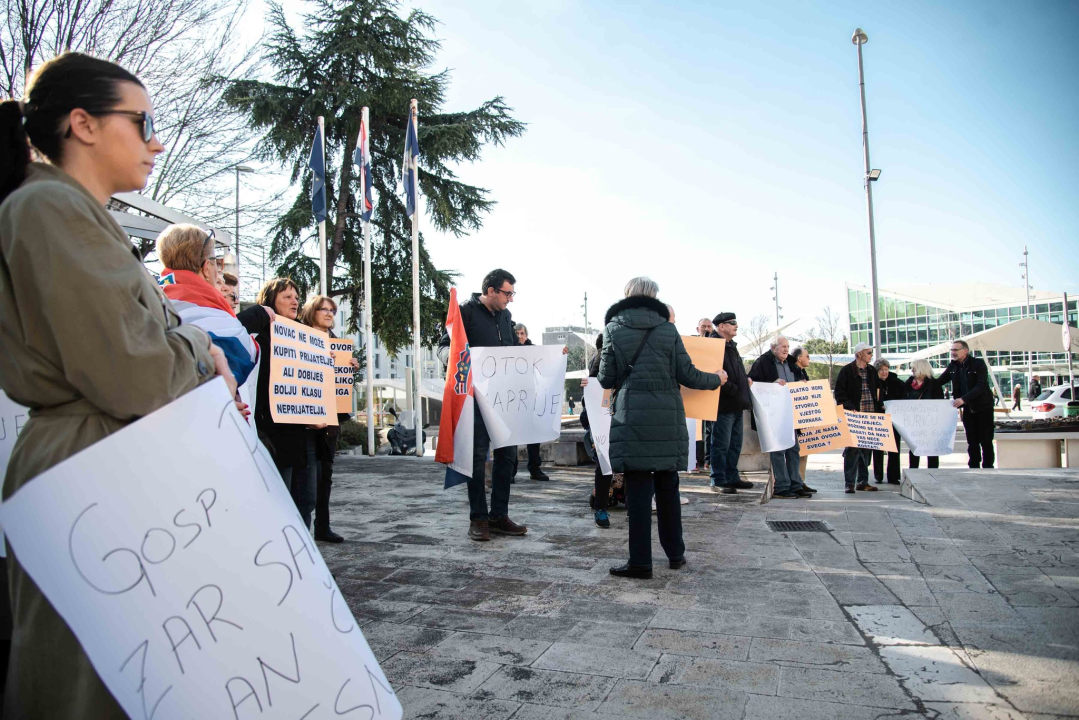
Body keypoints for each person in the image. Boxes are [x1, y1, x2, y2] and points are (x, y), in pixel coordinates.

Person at [0, 52, 237, 718]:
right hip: (90, 467)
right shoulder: (50, 207)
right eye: (142, 121)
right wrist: (197, 345)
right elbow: (134, 374)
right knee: (85, 685)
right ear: (83, 124)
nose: (155, 139)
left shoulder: (70, 209)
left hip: (105, 457)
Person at [598, 277, 723, 579]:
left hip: (632, 419)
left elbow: (605, 378)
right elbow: (689, 374)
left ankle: (640, 562)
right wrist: (717, 378)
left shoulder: (613, 329)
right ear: (654, 298)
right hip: (667, 415)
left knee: (638, 492)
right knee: (668, 487)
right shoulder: (668, 330)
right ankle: (675, 553)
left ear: (627, 297)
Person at [437, 269, 528, 541]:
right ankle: (478, 518)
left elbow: (512, 353)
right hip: (474, 399)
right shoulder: (465, 312)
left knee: (507, 457)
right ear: (490, 291)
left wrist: (545, 357)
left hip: (503, 398)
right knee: (477, 458)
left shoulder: (506, 317)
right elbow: (443, 347)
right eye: (507, 293)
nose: (510, 299)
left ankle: (499, 516)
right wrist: (456, 360)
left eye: (512, 293)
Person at [155, 224, 264, 411]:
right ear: (206, 268)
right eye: (216, 262)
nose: (218, 271)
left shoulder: (146, 301)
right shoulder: (220, 321)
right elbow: (243, 356)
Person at [300, 294, 358, 542]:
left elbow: (339, 383)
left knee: (326, 474)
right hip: (305, 417)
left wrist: (348, 367)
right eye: (323, 309)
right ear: (311, 311)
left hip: (331, 417)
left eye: (332, 311)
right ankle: (304, 529)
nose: (328, 314)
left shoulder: (336, 343)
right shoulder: (299, 336)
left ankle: (322, 527)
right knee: (307, 477)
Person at [253, 277, 308, 507]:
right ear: (270, 302)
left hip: (297, 434)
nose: (294, 302)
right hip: (272, 432)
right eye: (287, 297)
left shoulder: (304, 338)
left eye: (296, 297)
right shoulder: (260, 338)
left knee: (303, 500)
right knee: (279, 501)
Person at [748, 336, 809, 499]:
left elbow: (801, 376)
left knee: (794, 449)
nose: (786, 349)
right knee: (778, 450)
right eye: (783, 346)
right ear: (773, 347)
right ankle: (782, 487)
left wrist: (802, 382)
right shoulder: (762, 362)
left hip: (790, 413)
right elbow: (753, 384)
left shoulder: (790, 361)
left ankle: (796, 485)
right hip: (773, 415)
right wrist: (772, 383)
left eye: (788, 346)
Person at [708, 312, 753, 494]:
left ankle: (732, 476)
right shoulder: (713, 345)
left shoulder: (731, 346)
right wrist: (735, 390)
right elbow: (713, 373)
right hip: (723, 404)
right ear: (720, 327)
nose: (736, 325)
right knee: (721, 444)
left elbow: (736, 371)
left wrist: (745, 380)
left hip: (736, 404)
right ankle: (718, 479)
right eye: (731, 323)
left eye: (736, 322)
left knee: (735, 443)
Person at [834, 342, 883, 493]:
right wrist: (850, 407)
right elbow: (839, 393)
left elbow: (878, 390)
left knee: (866, 449)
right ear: (859, 354)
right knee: (852, 450)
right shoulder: (847, 371)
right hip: (853, 416)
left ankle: (863, 481)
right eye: (868, 353)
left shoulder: (872, 371)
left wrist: (879, 407)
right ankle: (850, 483)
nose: (871, 355)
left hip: (869, 416)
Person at [937, 340, 994, 468]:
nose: (953, 353)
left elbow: (980, 386)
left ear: (965, 351)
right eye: (951, 350)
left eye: (955, 350)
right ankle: (973, 465)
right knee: (972, 440)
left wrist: (963, 399)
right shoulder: (953, 366)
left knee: (985, 439)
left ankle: (988, 467)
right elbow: (938, 382)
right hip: (968, 408)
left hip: (983, 407)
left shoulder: (978, 364)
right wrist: (918, 382)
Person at [580, 333, 613, 527]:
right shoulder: (601, 359)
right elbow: (592, 392)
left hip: (626, 411)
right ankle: (601, 507)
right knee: (604, 462)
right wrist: (588, 386)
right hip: (604, 415)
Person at [510, 323, 550, 481]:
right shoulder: (506, 350)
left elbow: (549, 361)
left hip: (531, 398)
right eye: (517, 333)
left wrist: (561, 353)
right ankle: (511, 472)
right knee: (512, 437)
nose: (520, 336)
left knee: (533, 436)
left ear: (526, 335)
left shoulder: (534, 350)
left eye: (522, 333)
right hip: (512, 400)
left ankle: (534, 469)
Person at [872, 358, 906, 485]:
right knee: (878, 448)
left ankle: (893, 476)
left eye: (886, 369)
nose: (884, 372)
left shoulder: (896, 382)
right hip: (878, 418)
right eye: (881, 370)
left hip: (893, 418)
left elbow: (903, 397)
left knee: (894, 447)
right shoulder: (873, 382)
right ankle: (878, 475)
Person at [787, 347, 817, 492]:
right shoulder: (792, 370)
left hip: (802, 417)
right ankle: (796, 481)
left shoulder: (802, 371)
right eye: (807, 356)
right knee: (796, 451)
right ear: (799, 358)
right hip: (794, 417)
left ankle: (801, 481)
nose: (809, 359)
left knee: (804, 451)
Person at [905, 359, 944, 469]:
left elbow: (940, 403)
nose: (912, 370)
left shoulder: (934, 384)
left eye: (914, 368)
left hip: (930, 422)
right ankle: (913, 472)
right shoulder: (909, 383)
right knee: (913, 448)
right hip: (914, 421)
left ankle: (933, 473)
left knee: (931, 448)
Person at [696, 317, 715, 471]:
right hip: (693, 391)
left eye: (709, 327)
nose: (706, 329)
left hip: (710, 392)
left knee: (709, 430)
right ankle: (694, 460)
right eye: (703, 326)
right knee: (694, 429)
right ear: (697, 329)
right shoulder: (691, 344)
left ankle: (708, 460)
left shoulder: (717, 346)